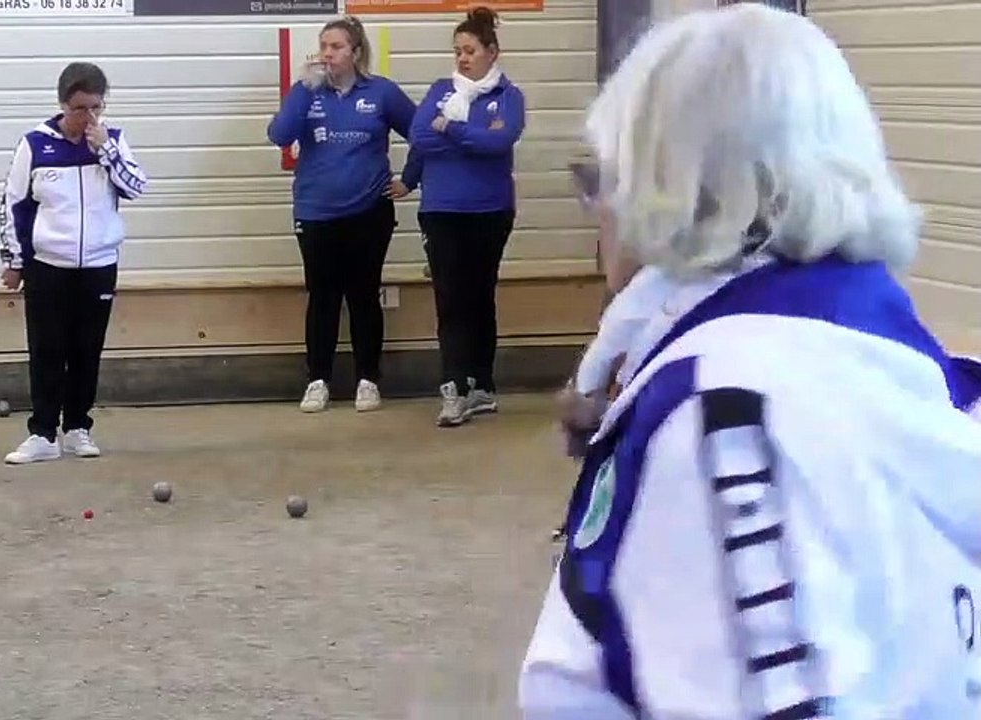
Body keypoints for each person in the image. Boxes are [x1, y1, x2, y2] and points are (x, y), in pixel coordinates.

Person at [518, 5, 981, 718]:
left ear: (671, 187)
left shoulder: (729, 415)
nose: (596, 210)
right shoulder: (882, 358)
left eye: (598, 177)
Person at [266, 15, 422, 414]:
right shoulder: (307, 93)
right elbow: (279, 135)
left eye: (336, 47)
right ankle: (317, 380)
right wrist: (303, 88)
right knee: (322, 296)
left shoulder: (382, 93)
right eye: (323, 46)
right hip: (316, 212)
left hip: (368, 211)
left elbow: (423, 133)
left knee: (364, 294)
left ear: (355, 52)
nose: (327, 54)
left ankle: (368, 379)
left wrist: (409, 179)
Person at [0, 61, 148, 464]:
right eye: (81, 109)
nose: (89, 117)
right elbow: (14, 205)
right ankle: (43, 433)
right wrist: (14, 260)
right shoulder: (35, 144)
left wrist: (106, 151)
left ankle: (78, 427)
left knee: (86, 349)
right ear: (64, 104)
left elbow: (136, 187)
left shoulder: (112, 140)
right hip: (48, 264)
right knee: (47, 349)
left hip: (99, 263)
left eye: (96, 107)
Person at [408, 6, 526, 427]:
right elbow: (421, 136)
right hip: (441, 210)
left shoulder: (508, 97)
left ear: (491, 52)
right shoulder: (441, 90)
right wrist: (463, 136)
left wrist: (452, 130)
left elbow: (500, 143)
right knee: (451, 298)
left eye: (470, 50)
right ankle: (454, 387)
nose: (462, 58)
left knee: (479, 296)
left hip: (490, 210)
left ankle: (483, 385)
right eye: (457, 51)